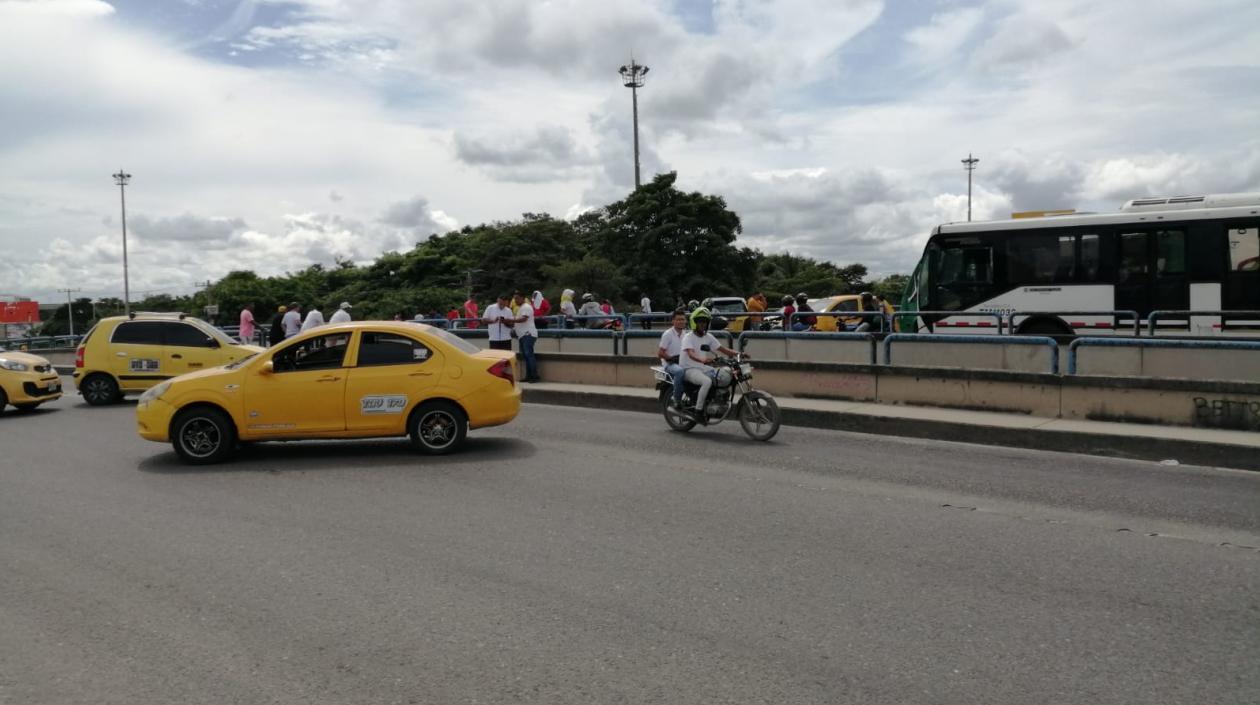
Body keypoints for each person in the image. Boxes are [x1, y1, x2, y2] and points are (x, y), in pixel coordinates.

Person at [680, 307, 742, 418]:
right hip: (689, 369)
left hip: (702, 368)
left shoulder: (708, 336)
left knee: (724, 374)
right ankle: (698, 411)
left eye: (705, 321)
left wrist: (739, 354)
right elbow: (691, 353)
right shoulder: (688, 337)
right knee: (707, 382)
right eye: (700, 321)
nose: (703, 324)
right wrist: (702, 359)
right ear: (694, 322)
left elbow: (723, 349)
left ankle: (714, 400)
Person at [657, 309, 689, 409]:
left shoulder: (686, 334)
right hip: (669, 363)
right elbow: (660, 353)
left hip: (682, 361)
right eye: (678, 319)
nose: (681, 322)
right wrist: (671, 358)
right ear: (673, 321)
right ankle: (676, 399)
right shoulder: (668, 334)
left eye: (683, 319)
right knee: (679, 372)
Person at [513, 292, 540, 382]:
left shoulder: (526, 307)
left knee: (529, 355)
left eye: (517, 298)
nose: (515, 300)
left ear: (522, 298)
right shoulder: (521, 308)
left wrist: (510, 320)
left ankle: (534, 376)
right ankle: (529, 376)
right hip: (522, 335)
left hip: (527, 334)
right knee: (526, 356)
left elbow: (524, 319)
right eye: (514, 298)